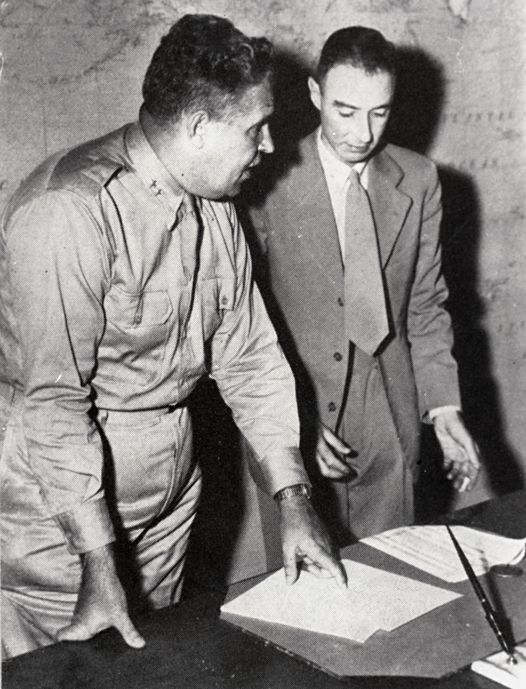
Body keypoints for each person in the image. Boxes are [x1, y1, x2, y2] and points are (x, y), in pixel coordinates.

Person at [0, 14, 346, 660]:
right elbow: (55, 404)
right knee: (70, 673)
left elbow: (249, 356)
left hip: (165, 511)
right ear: (198, 128)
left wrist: (294, 499)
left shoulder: (215, 204)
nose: (271, 145)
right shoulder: (68, 210)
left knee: (151, 667)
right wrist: (97, 560)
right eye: (256, 128)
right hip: (59, 524)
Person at [237, 26, 481, 552]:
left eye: (379, 113)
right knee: (309, 585)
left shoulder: (418, 179)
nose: (362, 133)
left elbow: (425, 306)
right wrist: (296, 420)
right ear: (315, 94)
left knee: (395, 573)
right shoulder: (265, 178)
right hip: (297, 410)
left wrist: (444, 409)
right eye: (345, 111)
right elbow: (244, 322)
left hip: (390, 414)